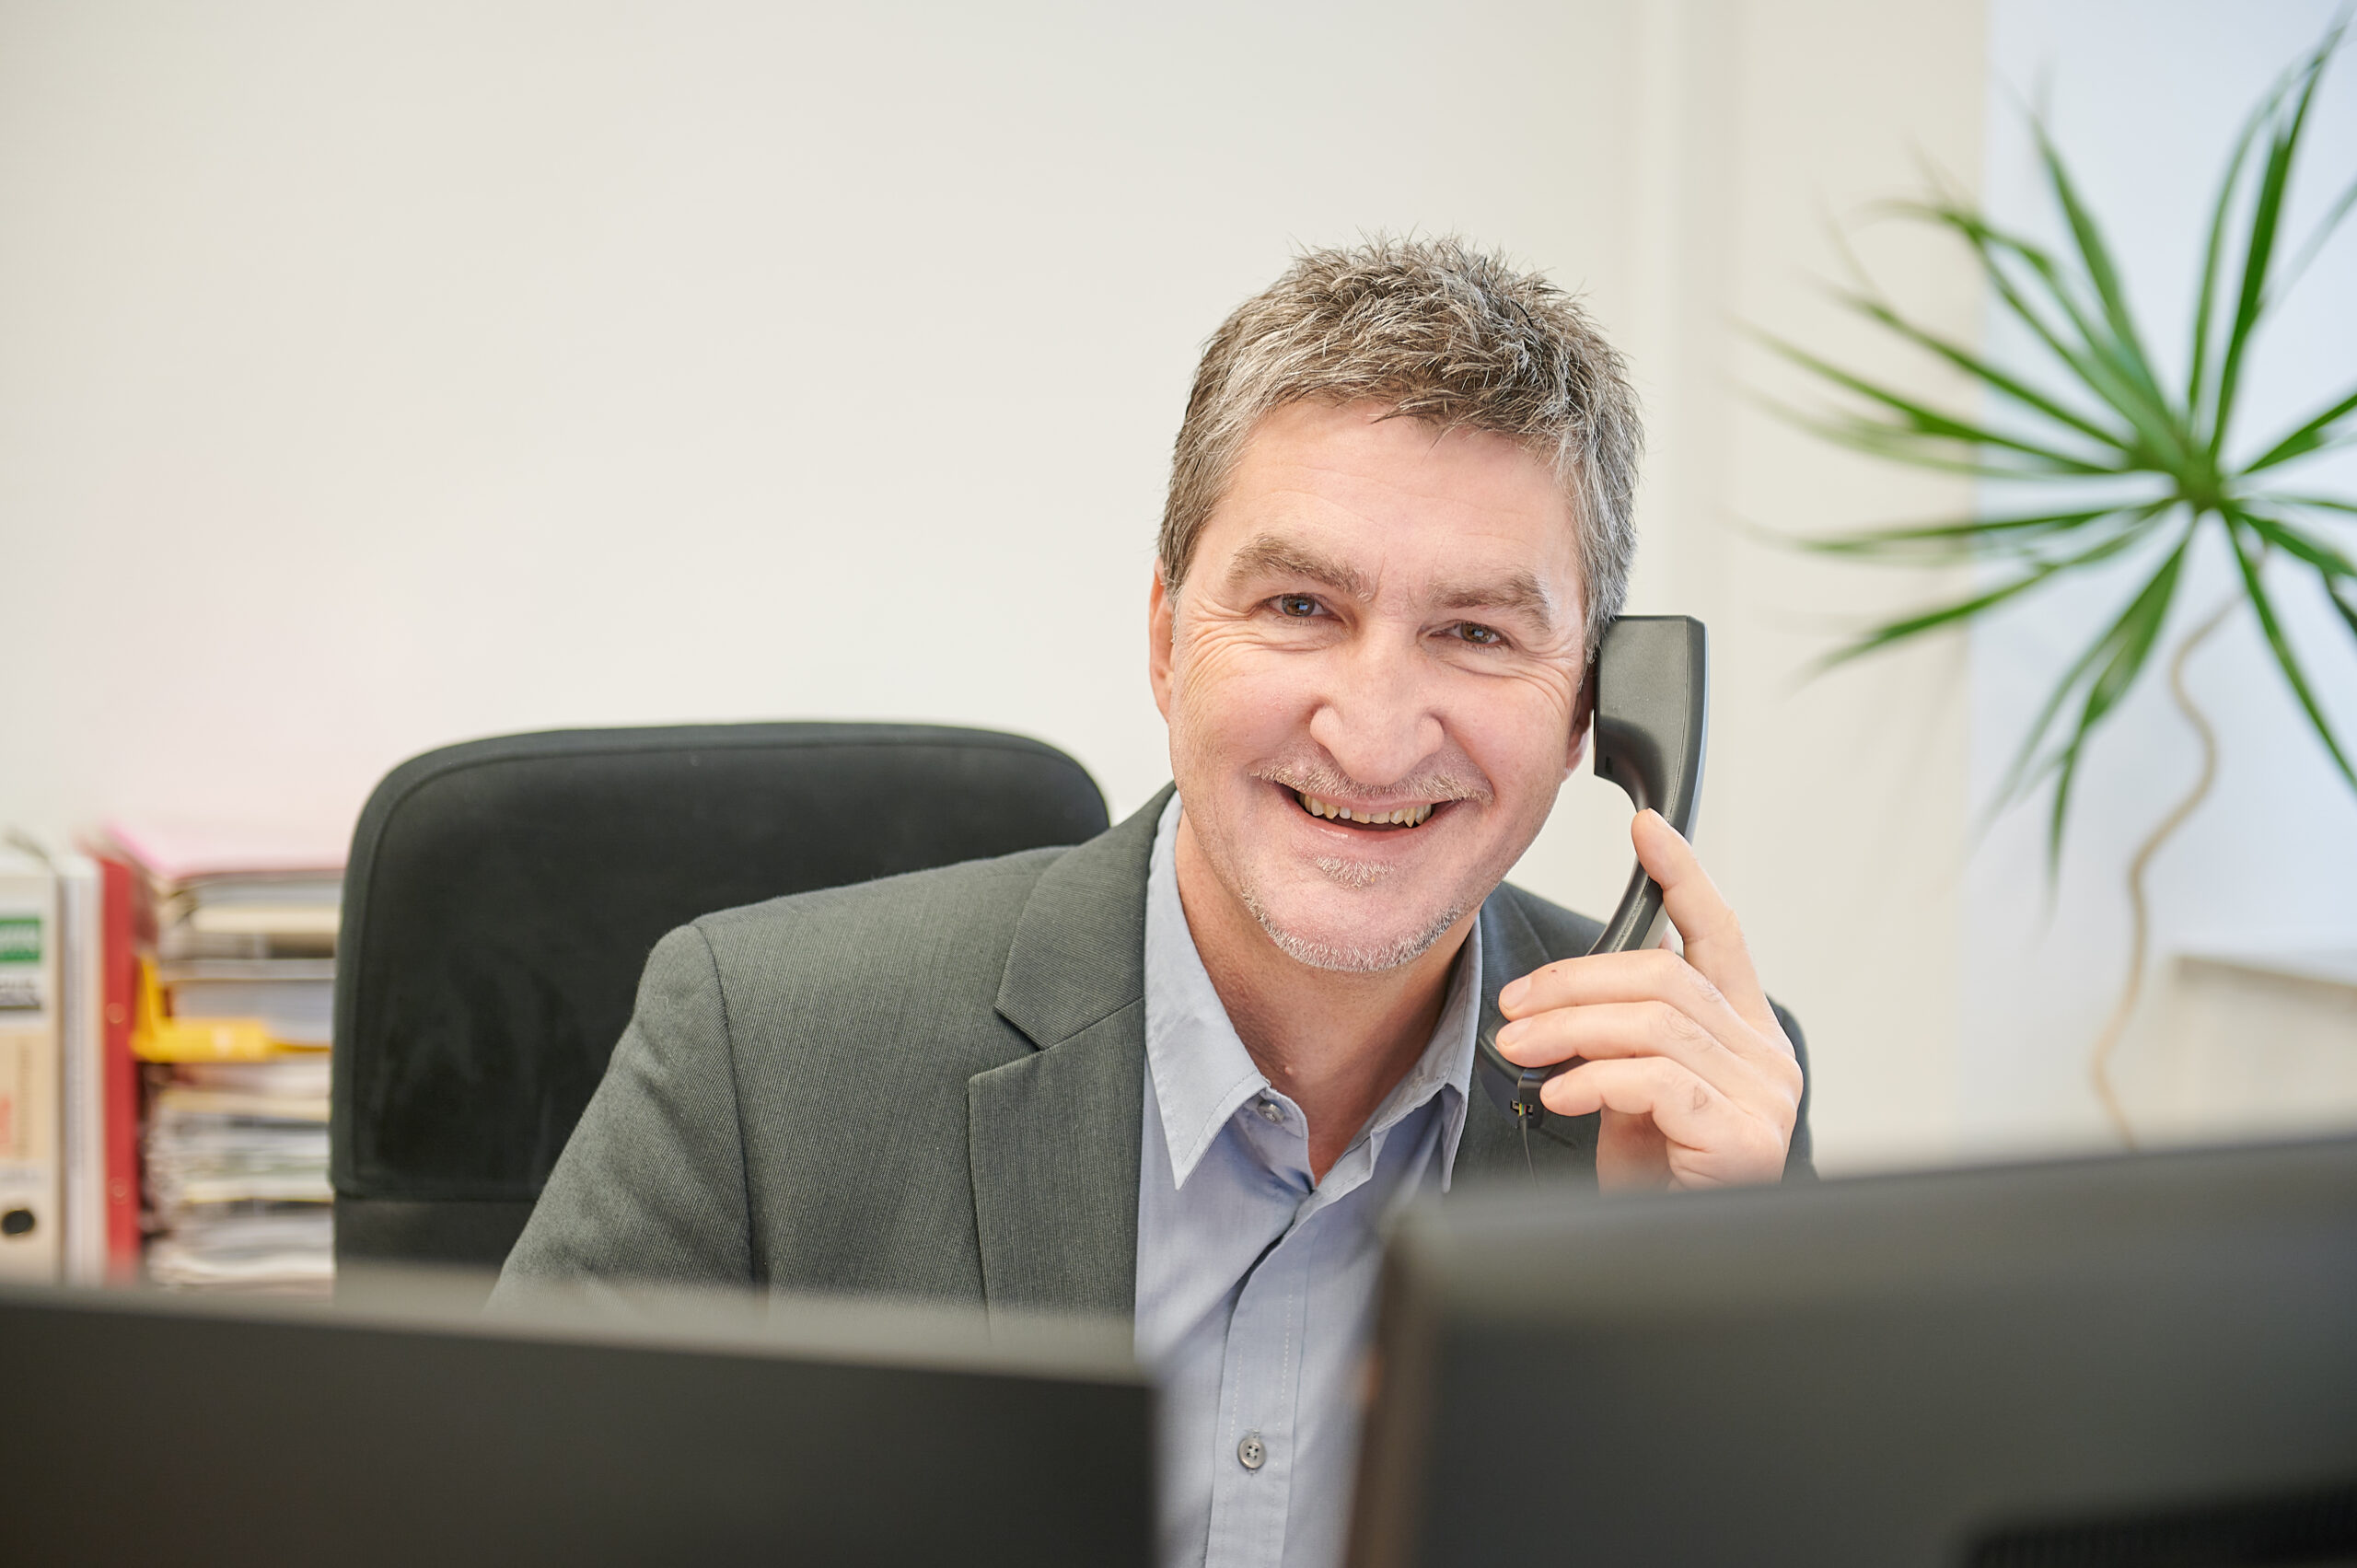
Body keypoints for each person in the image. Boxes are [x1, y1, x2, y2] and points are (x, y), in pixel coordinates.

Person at [495, 236, 1811, 1568]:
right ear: (1168, 643)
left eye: (1476, 633)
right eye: (1300, 605)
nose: (1372, 736)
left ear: (1597, 708)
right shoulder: (761, 1053)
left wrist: (1696, 1311)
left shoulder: (1685, 1116)